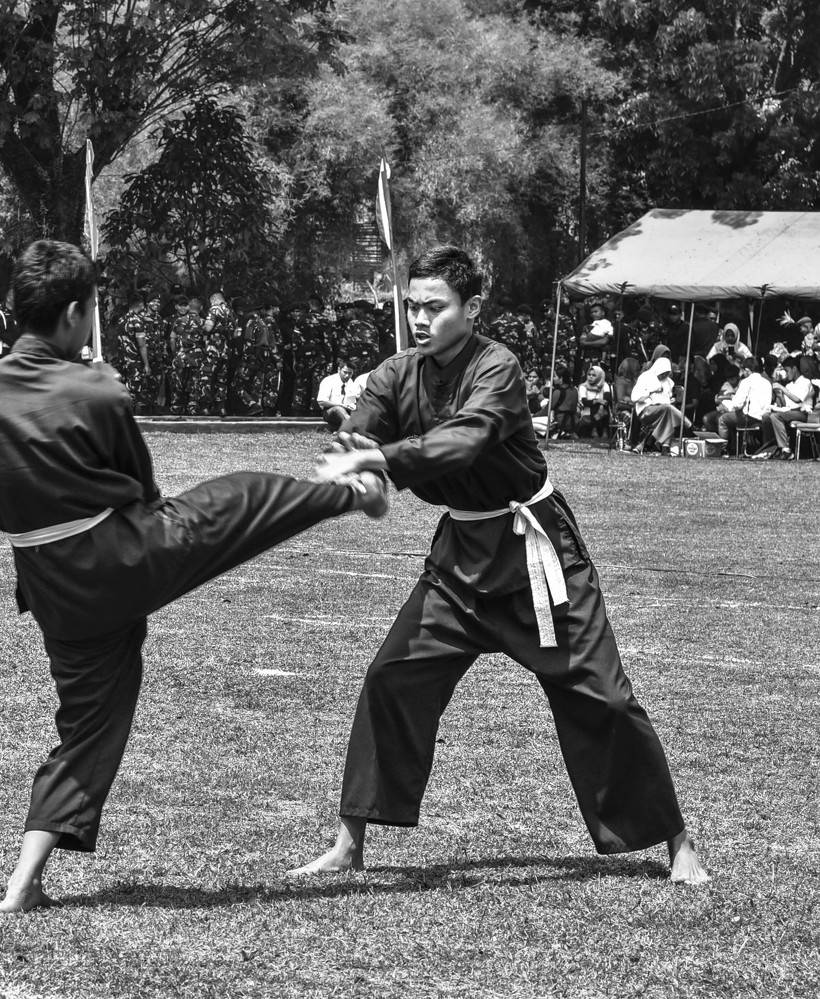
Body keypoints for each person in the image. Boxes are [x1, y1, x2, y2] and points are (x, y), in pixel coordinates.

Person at [0, 240, 388, 912]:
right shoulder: (98, 388)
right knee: (240, 496)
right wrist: (98, 389)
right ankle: (354, 493)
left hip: (49, 587)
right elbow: (142, 487)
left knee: (89, 722)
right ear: (75, 313)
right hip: (120, 557)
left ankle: (23, 883)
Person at [295, 245, 707, 885]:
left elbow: (466, 439)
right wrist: (354, 461)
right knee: (391, 677)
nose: (420, 319)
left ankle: (677, 842)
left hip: (535, 554)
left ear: (472, 308)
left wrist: (379, 461)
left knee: (604, 696)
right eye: (413, 306)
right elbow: (361, 436)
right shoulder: (394, 374)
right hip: (458, 561)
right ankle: (349, 843)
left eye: (435, 307)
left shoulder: (498, 366)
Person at [629, 348, 689, 452]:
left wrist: (671, 400)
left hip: (662, 411)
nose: (664, 376)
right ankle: (688, 424)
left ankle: (659, 447)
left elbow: (667, 398)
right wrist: (650, 392)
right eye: (663, 373)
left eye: (666, 373)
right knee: (668, 410)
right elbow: (634, 397)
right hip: (646, 410)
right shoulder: (645, 377)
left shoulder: (669, 382)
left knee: (668, 415)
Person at [716, 355, 772, 457]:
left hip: (749, 418)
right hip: (764, 417)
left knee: (723, 419)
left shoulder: (746, 382)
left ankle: (723, 449)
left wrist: (726, 404)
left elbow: (737, 404)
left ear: (747, 370)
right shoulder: (767, 382)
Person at [759, 358, 814, 460]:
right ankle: (770, 448)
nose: (786, 374)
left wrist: (782, 388)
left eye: (787, 370)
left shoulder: (805, 382)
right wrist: (779, 395)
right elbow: (786, 404)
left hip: (802, 413)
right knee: (766, 416)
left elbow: (797, 400)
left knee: (775, 416)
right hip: (790, 412)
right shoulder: (789, 385)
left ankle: (786, 449)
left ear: (794, 369)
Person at [315, 359, 356, 431]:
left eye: (350, 373)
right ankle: (353, 428)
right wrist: (341, 405)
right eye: (345, 372)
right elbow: (321, 401)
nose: (347, 375)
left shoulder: (350, 382)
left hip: (346, 410)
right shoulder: (329, 380)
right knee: (338, 409)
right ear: (339, 370)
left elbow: (352, 401)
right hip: (330, 411)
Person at [576, 364, 612, 438]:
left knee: (601, 405)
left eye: (594, 375)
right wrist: (597, 401)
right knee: (595, 405)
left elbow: (607, 398)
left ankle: (599, 430)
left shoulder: (604, 385)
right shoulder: (583, 386)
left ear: (599, 376)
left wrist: (601, 406)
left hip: (602, 410)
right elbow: (585, 402)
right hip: (587, 411)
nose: (590, 377)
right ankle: (598, 429)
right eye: (589, 374)